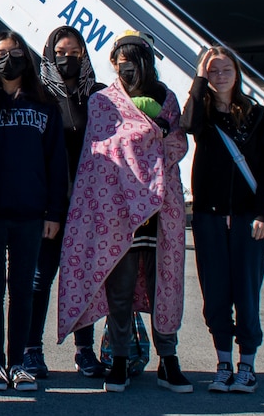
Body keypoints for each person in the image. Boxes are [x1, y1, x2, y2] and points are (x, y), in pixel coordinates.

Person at [56, 35, 193, 394]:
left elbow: (179, 144)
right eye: (120, 61)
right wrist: (147, 135)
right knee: (120, 289)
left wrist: (160, 131)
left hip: (160, 210)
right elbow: (99, 154)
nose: (126, 68)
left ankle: (169, 360)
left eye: (133, 60)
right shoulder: (104, 102)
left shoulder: (166, 99)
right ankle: (118, 360)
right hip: (118, 211)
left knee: (165, 285)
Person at [0, 32, 66, 391]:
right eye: (0, 53)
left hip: (31, 215)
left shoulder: (44, 105)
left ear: (27, 57)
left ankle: (19, 362)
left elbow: (57, 164)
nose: (8, 59)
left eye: (15, 52)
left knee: (23, 290)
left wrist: (54, 212)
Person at [184, 44, 264, 394]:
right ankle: (223, 363)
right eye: (213, 71)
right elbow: (187, 124)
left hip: (247, 218)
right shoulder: (204, 115)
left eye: (225, 69)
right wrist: (197, 78)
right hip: (209, 218)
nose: (219, 75)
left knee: (246, 293)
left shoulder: (255, 115)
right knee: (216, 294)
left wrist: (262, 213)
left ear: (237, 74)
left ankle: (247, 366)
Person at [27, 25, 100, 380]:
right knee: (41, 279)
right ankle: (31, 348)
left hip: (88, 205)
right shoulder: (39, 96)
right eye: (61, 53)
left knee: (83, 278)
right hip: (50, 204)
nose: (67, 59)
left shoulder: (97, 96)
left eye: (74, 53)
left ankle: (84, 349)